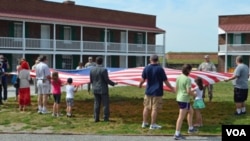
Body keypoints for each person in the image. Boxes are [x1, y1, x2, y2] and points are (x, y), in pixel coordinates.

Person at [139, 54, 175, 130]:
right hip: (157, 92)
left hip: (148, 91)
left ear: (150, 60)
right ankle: (153, 124)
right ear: (157, 60)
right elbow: (165, 81)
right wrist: (172, 88)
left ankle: (144, 122)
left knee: (146, 107)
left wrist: (140, 84)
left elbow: (143, 79)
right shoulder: (160, 69)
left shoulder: (146, 68)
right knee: (155, 109)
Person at [89, 56, 117, 122]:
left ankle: (96, 118)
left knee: (96, 104)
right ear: (102, 62)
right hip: (103, 89)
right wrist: (113, 83)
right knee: (105, 104)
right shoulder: (104, 70)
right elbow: (106, 80)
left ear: (96, 61)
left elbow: (91, 80)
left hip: (95, 89)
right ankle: (105, 117)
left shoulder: (92, 70)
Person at [174, 64, 197, 140]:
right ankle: (177, 134)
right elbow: (188, 91)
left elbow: (176, 88)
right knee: (181, 117)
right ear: (188, 70)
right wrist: (194, 94)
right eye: (190, 70)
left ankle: (190, 128)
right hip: (184, 99)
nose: (191, 71)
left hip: (180, 98)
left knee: (191, 111)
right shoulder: (188, 79)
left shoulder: (178, 77)